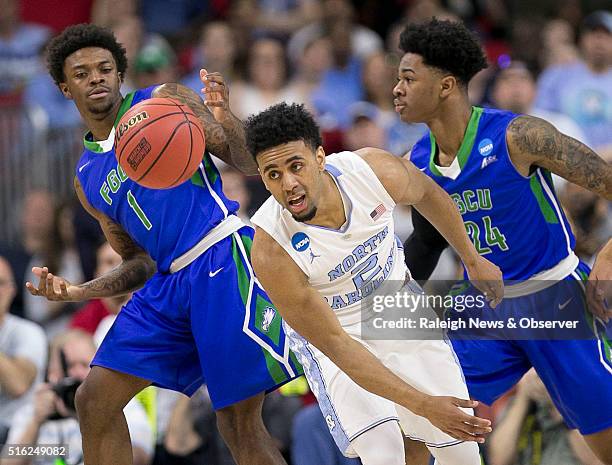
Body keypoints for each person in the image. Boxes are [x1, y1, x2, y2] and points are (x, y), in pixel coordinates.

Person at [24, 23, 301, 465]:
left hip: (220, 257)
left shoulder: (164, 101)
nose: (95, 78)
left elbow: (247, 163)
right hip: (169, 283)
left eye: (105, 69)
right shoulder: (86, 178)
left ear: (119, 74)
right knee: (93, 400)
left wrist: (225, 116)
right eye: (82, 73)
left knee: (238, 424)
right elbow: (138, 264)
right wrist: (80, 291)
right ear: (64, 88)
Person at [394, 19, 612, 464]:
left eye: (408, 78)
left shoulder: (519, 136)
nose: (396, 88)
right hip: (484, 308)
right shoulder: (417, 162)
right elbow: (427, 243)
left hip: (557, 299)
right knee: (418, 424)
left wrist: (610, 251)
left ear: (446, 85)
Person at [247, 102, 503, 465]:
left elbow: (429, 195)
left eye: (296, 165)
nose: (288, 184)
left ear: (320, 157)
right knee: (384, 454)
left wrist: (472, 258)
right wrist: (424, 405)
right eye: (272, 174)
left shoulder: (372, 170)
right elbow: (337, 345)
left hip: (397, 305)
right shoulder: (271, 250)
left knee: (461, 451)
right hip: (336, 333)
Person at [2, 330, 153, 465]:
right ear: (52, 372)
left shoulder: (120, 403)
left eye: (84, 364)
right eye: (70, 365)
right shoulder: (34, 409)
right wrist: (35, 423)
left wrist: (87, 418)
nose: (77, 373)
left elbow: (139, 457)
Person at [0, 255, 47, 443]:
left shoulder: (29, 332)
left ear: (12, 290)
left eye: (1, 283)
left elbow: (18, 385)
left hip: (20, 439)